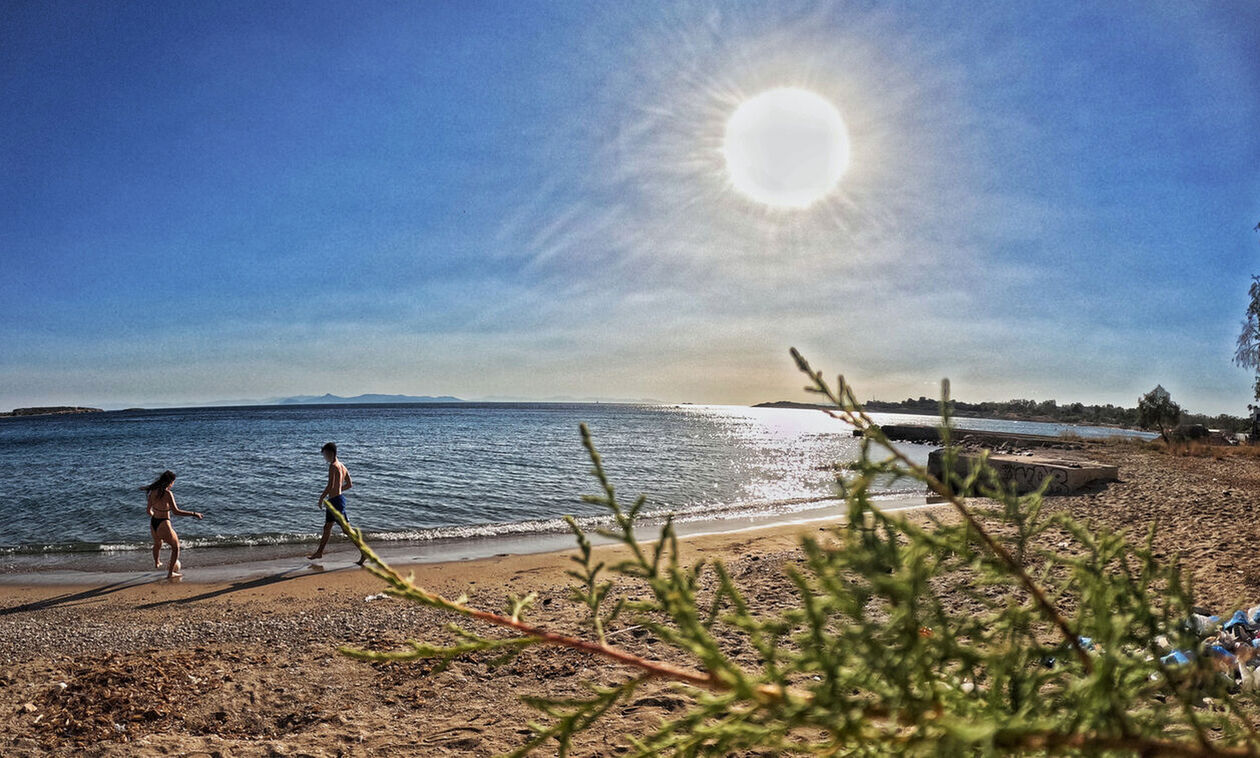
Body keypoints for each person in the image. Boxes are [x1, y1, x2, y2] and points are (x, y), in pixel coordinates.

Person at [308, 442, 366, 565]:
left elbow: (330, 485)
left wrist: (321, 498)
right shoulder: (342, 466)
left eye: (325, 455)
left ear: (331, 453)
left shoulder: (333, 466)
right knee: (327, 527)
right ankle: (319, 553)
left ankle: (363, 551)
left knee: (346, 530)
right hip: (337, 500)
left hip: (335, 503)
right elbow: (349, 484)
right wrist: (338, 490)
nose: (324, 457)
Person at [142, 470, 203, 579]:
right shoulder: (167, 494)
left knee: (157, 544)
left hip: (153, 523)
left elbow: (148, 511)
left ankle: (157, 562)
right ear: (170, 482)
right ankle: (170, 574)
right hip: (164, 523)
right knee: (176, 547)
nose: (173, 484)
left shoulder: (152, 492)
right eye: (173, 482)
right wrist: (194, 514)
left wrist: (155, 515)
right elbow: (176, 511)